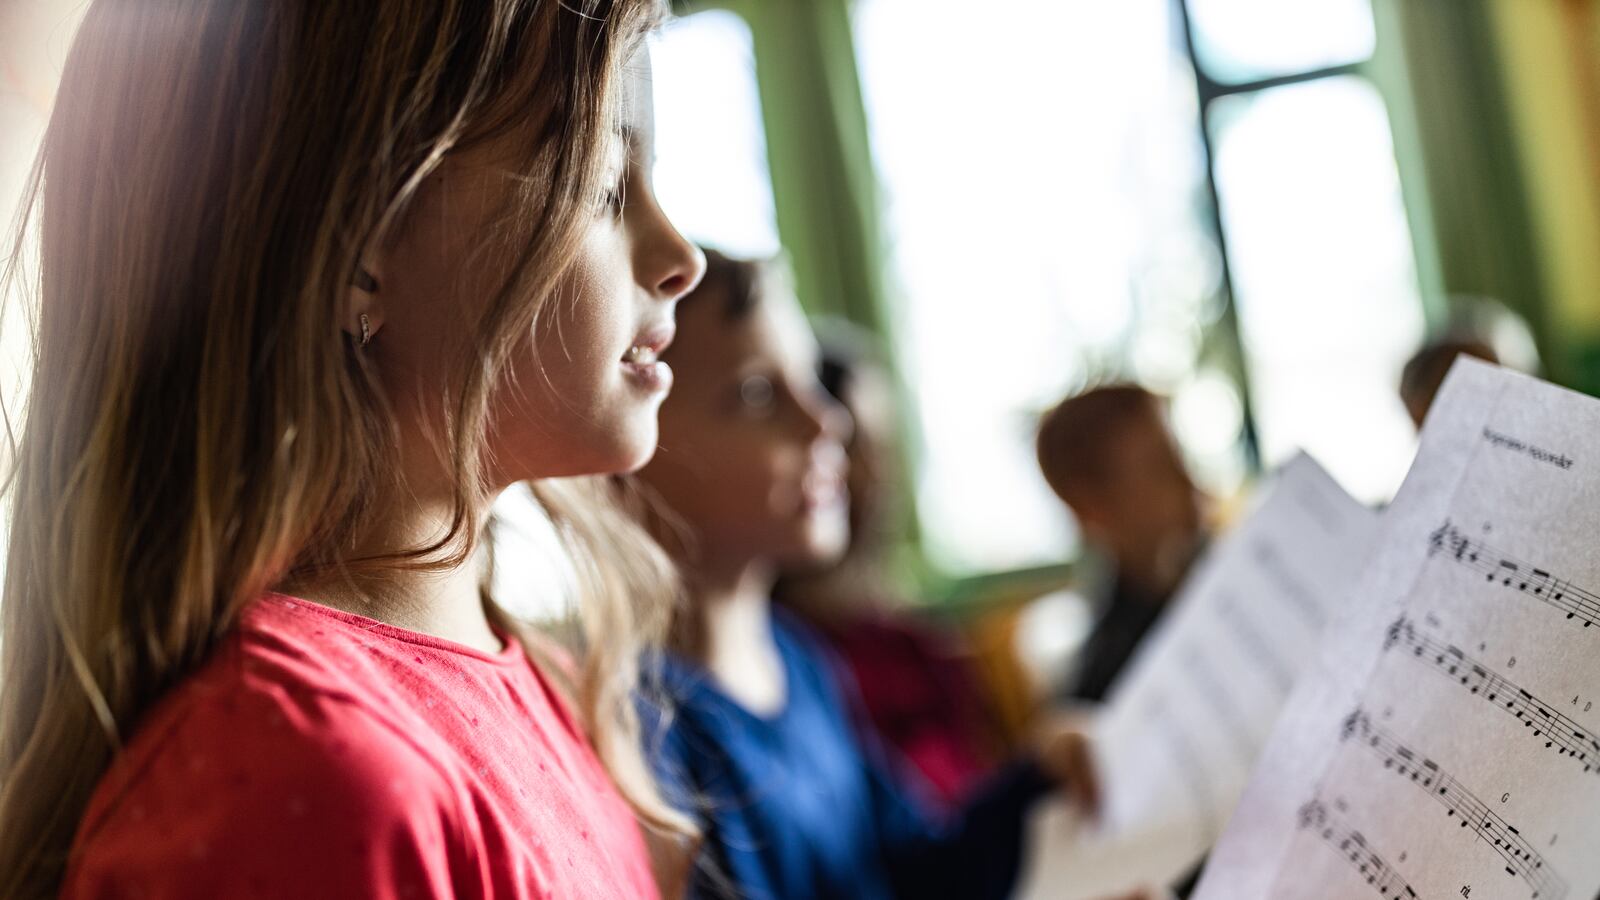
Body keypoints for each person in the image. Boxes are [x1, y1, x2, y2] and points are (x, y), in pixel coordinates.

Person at [0, 2, 705, 897]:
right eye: (604, 185)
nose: (683, 255)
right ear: (364, 246)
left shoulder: (541, 680)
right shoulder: (299, 771)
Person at [633, 250, 1102, 900]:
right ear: (627, 456)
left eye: (810, 383)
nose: (828, 421)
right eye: (757, 394)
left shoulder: (801, 662)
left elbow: (917, 866)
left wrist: (1036, 781)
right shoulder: (646, 734)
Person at [773, 324, 1007, 808]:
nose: (879, 472)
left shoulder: (907, 639)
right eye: (859, 446)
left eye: (882, 446)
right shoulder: (794, 660)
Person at [1036, 384, 1208, 703]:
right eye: (1160, 469)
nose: (1191, 485)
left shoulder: (1221, 565)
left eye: (1182, 460)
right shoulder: (1105, 681)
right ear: (1093, 509)